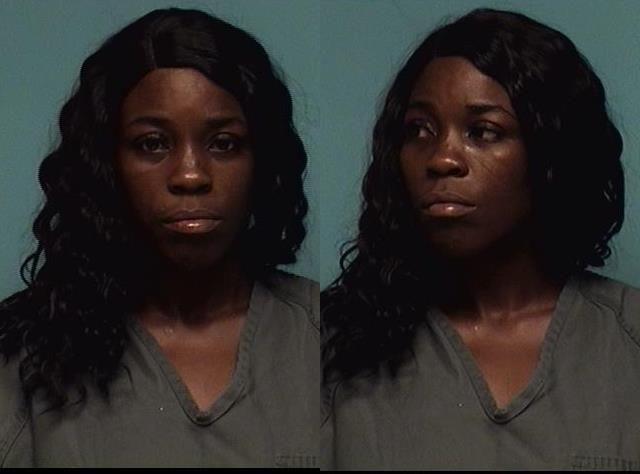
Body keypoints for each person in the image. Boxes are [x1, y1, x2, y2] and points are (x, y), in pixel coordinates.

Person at [321, 8, 640, 470]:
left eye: (483, 132)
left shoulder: (627, 338)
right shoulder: (331, 346)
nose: (442, 159)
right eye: (419, 131)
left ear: (551, 154)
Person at [0, 8, 318, 468]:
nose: (190, 175)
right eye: (152, 144)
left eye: (223, 143)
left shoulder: (322, 334)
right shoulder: (24, 354)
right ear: (107, 165)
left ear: (262, 161)